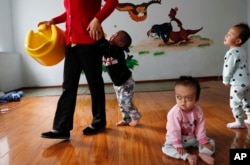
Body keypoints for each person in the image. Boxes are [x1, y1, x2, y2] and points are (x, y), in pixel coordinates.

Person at [39, 0, 118, 139]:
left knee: (95, 84)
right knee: (68, 86)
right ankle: (61, 128)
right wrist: (53, 20)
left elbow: (112, 2)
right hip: (71, 45)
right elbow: (71, 13)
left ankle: (99, 121)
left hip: (90, 43)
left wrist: (97, 19)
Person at [162, 76, 215, 165]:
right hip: (178, 139)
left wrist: (203, 141)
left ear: (196, 99)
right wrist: (178, 144)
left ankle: (204, 153)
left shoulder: (198, 111)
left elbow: (200, 127)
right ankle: (187, 156)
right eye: (179, 97)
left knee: (211, 142)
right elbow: (174, 130)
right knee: (165, 148)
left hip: (193, 138)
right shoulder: (174, 113)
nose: (183, 102)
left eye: (188, 98)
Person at [99, 30, 141, 126]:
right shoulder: (108, 50)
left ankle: (135, 116)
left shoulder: (117, 51)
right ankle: (126, 119)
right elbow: (103, 48)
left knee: (124, 101)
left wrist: (101, 37)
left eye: (114, 35)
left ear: (120, 44)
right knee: (121, 103)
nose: (111, 36)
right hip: (117, 83)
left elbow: (106, 46)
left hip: (126, 81)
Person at [222, 23, 250, 129]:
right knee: (247, 100)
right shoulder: (242, 50)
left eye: (230, 34)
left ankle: (239, 122)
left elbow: (228, 68)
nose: (226, 36)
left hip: (237, 83)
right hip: (247, 81)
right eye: (227, 33)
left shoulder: (232, 53)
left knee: (235, 102)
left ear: (238, 41)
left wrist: (226, 80)